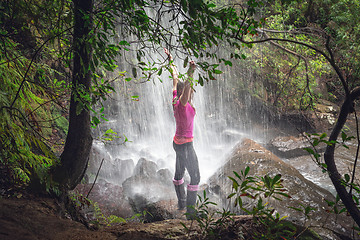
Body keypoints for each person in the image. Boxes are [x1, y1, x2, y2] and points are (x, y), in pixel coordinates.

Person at [164, 48, 200, 220]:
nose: (191, 90)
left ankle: (181, 203)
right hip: (185, 145)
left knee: (179, 173)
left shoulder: (174, 100)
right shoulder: (182, 104)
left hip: (177, 143)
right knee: (196, 176)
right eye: (189, 89)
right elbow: (185, 85)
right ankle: (191, 213)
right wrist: (191, 71)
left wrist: (170, 59)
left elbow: (175, 78)